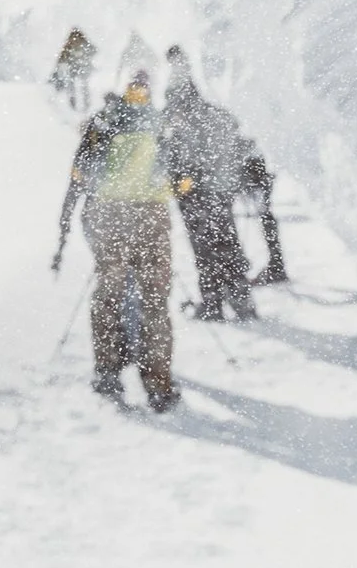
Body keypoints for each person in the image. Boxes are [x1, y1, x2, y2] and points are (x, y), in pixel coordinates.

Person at [55, 72, 180, 412]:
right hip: (151, 217)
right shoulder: (159, 124)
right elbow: (176, 175)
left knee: (109, 296)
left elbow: (79, 174)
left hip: (110, 215)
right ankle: (158, 383)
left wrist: (67, 226)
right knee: (154, 302)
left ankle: (108, 372)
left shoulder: (103, 122)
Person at [160, 46, 257, 322]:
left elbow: (180, 157)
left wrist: (181, 181)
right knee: (227, 242)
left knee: (204, 248)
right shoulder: (215, 112)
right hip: (220, 191)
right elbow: (238, 143)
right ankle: (241, 300)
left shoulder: (184, 119)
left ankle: (213, 303)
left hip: (197, 195)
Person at [242, 149, 289, 286]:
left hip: (265, 217)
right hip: (266, 216)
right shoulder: (263, 180)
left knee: (267, 227)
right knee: (268, 228)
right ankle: (276, 267)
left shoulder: (259, 183)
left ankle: (276, 268)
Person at [49, 28, 95, 112]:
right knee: (73, 86)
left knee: (83, 85)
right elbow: (61, 58)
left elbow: (93, 51)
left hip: (82, 68)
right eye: (74, 38)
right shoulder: (69, 46)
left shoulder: (84, 45)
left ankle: (85, 103)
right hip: (73, 69)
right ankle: (73, 103)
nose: (75, 40)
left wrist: (86, 59)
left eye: (77, 38)